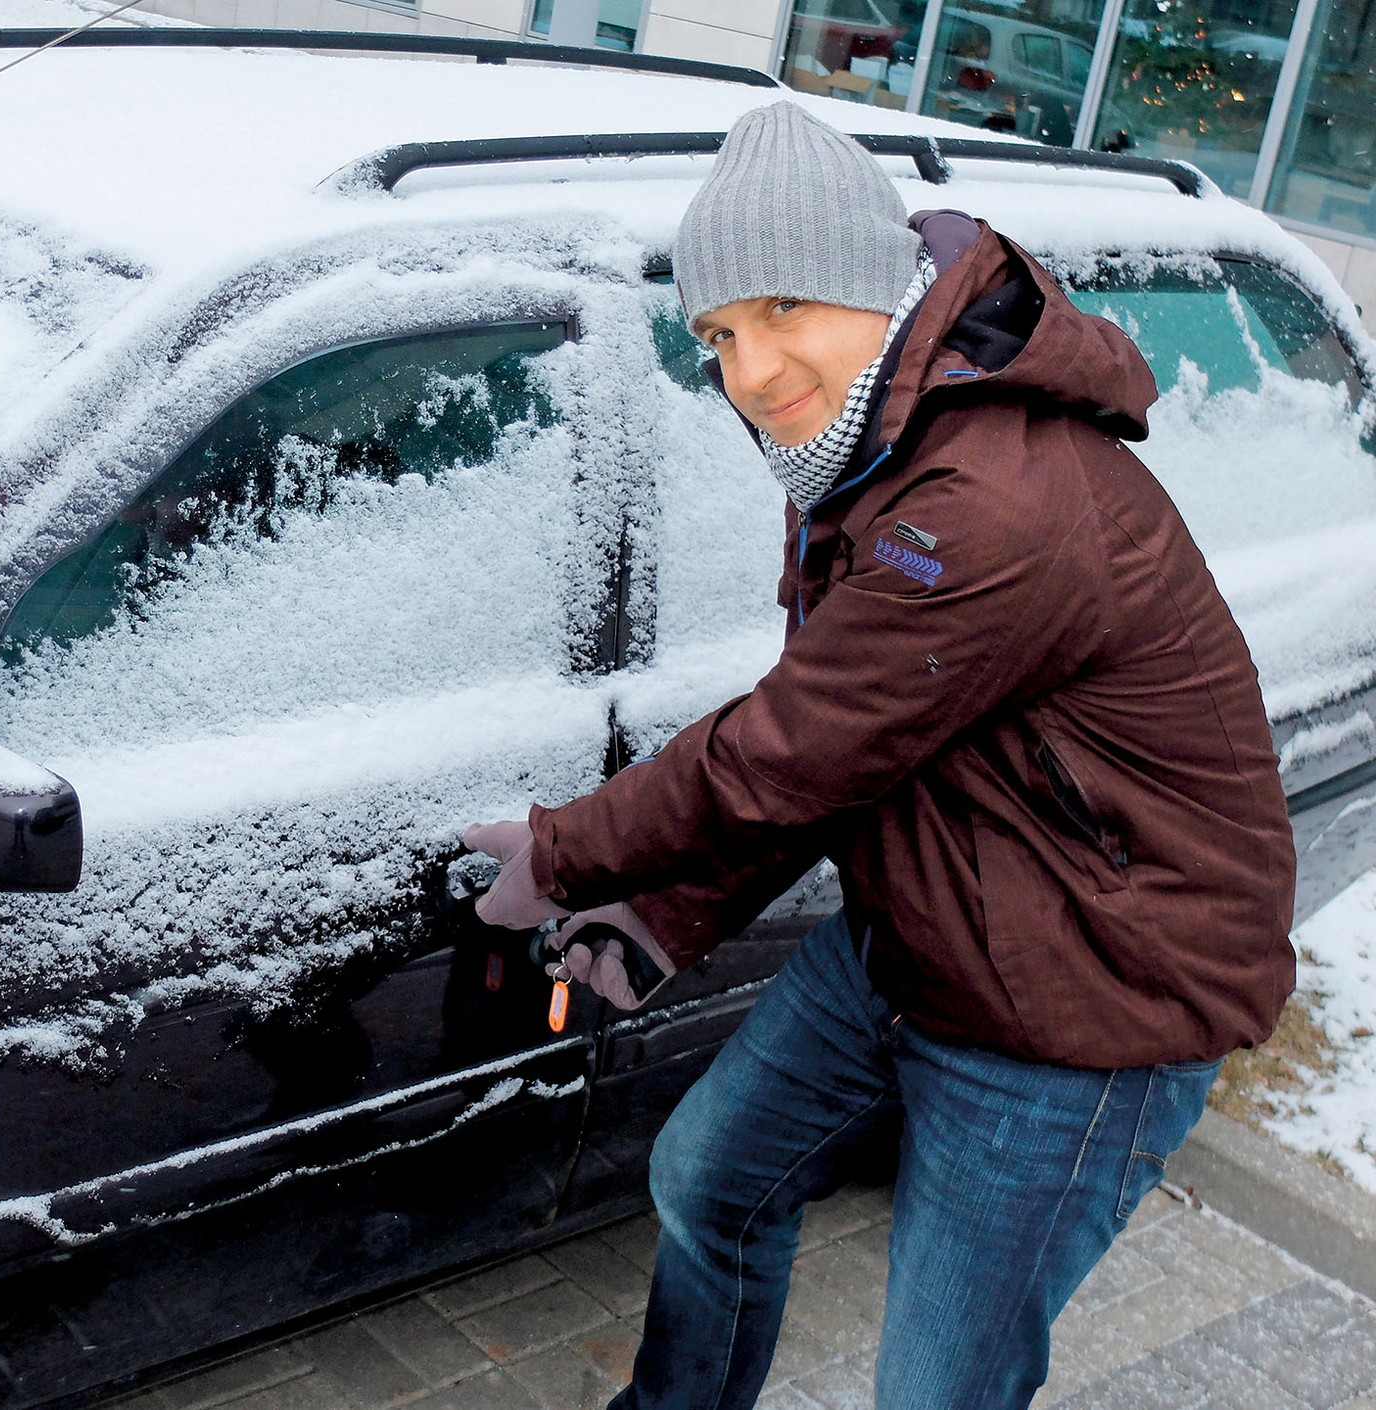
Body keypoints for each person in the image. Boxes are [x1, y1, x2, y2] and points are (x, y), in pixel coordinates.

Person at [463, 101, 1297, 1409]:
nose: (749, 369)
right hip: (933, 933)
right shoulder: (874, 454)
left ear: (870, 284)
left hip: (1085, 1011)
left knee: (936, 1387)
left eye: (784, 307)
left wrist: (570, 850)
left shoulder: (986, 504)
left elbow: (790, 747)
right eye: (721, 335)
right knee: (710, 1179)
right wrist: (668, 909)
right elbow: (851, 736)